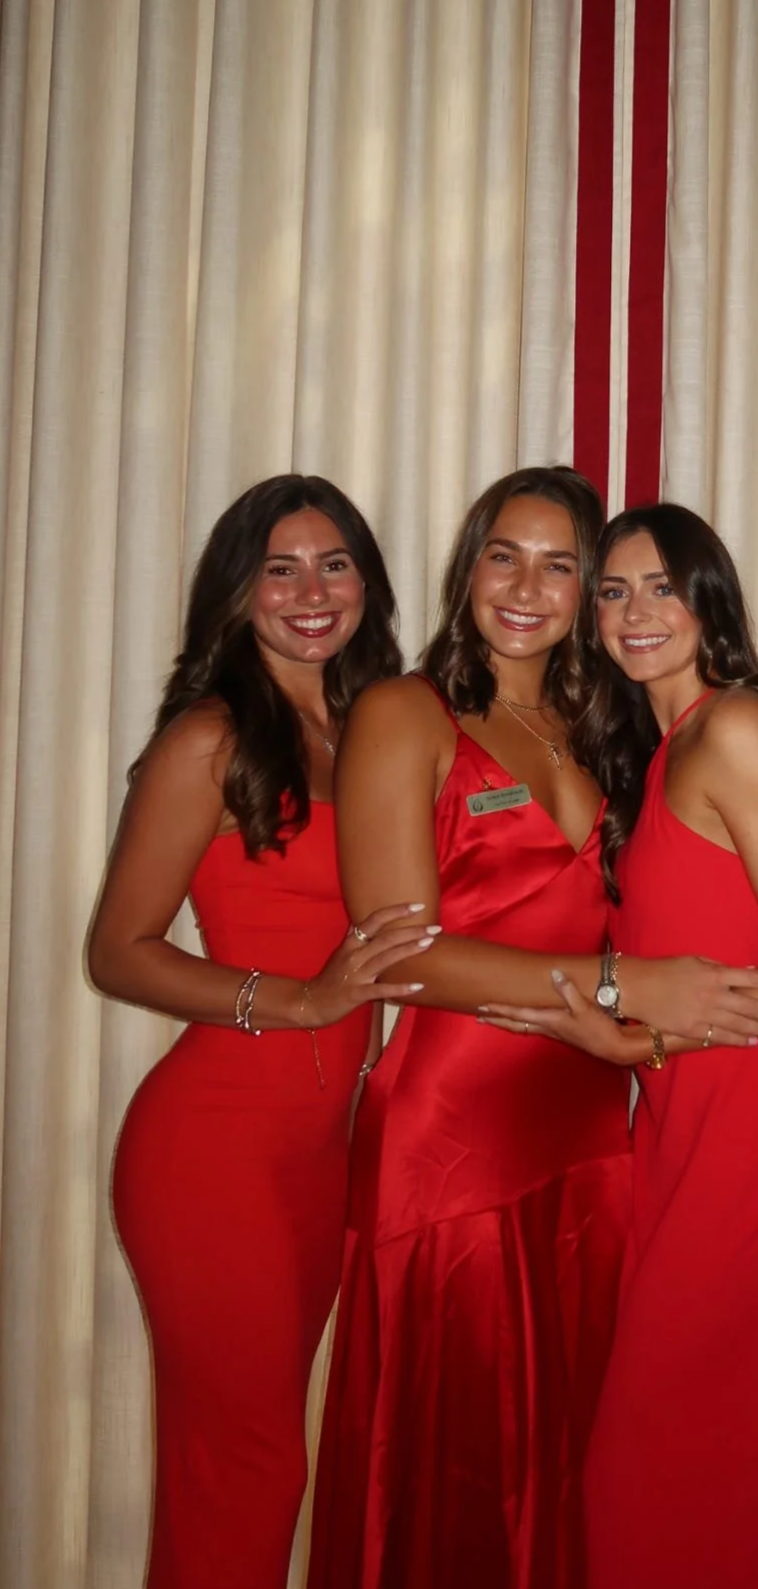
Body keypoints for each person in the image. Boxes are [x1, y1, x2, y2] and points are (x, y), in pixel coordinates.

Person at [307, 472, 758, 1589]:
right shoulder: (403, 710)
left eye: (560, 564)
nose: (528, 586)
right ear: (465, 567)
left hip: (592, 1123)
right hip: (456, 1136)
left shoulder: (600, 720)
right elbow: (404, 953)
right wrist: (626, 982)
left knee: (576, 1456)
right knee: (453, 1465)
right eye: (503, 555)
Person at [479, 503, 758, 1589]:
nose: (637, 611)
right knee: (681, 1466)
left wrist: (652, 1033)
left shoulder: (735, 729)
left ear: (710, 602)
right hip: (677, 1136)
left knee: (665, 1466)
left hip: (749, 1145)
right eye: (614, 589)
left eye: (663, 587)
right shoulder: (652, 753)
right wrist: (632, 1040)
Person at [89, 475, 431, 1589]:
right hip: (215, 1149)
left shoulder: (380, 725)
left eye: (334, 563)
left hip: (324, 1152)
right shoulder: (212, 735)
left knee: (265, 1453)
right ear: (236, 593)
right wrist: (298, 998)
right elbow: (119, 946)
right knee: (245, 1462)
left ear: (367, 584)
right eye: (278, 567)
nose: (309, 590)